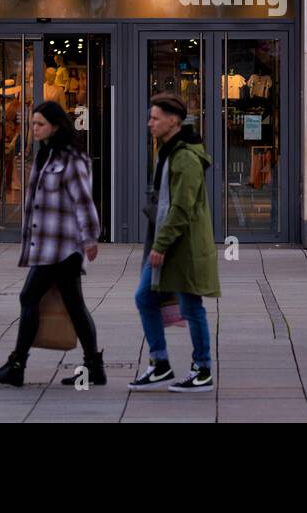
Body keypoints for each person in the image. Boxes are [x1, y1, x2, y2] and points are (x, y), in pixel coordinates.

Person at [0, 101, 103, 388]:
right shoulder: (45, 155)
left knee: (29, 297)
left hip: (63, 248)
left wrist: (90, 238)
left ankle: (17, 365)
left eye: (40, 124)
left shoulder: (71, 159)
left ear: (56, 126)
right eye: (32, 124)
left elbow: (84, 201)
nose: (34, 129)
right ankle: (93, 366)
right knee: (74, 305)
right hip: (48, 245)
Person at [128, 93, 220, 393]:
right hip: (171, 242)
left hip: (185, 245)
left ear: (174, 121)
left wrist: (161, 244)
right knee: (145, 297)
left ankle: (202, 369)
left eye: (155, 118)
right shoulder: (168, 151)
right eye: (150, 117)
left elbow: (181, 207)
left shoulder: (185, 157)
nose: (149, 123)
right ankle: (160, 363)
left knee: (192, 306)